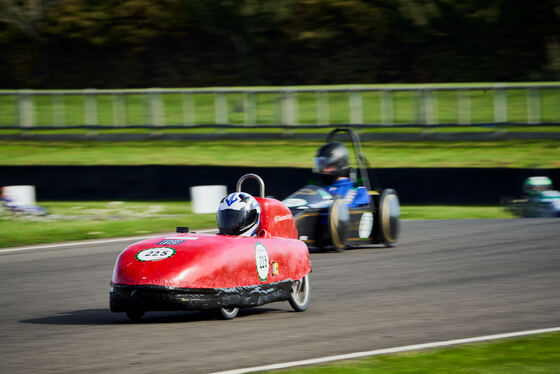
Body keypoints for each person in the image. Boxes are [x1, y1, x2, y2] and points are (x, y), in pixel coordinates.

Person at [313, 142, 370, 207]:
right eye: (321, 165)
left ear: (339, 165)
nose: (323, 170)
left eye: (328, 166)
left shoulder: (357, 190)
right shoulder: (318, 188)